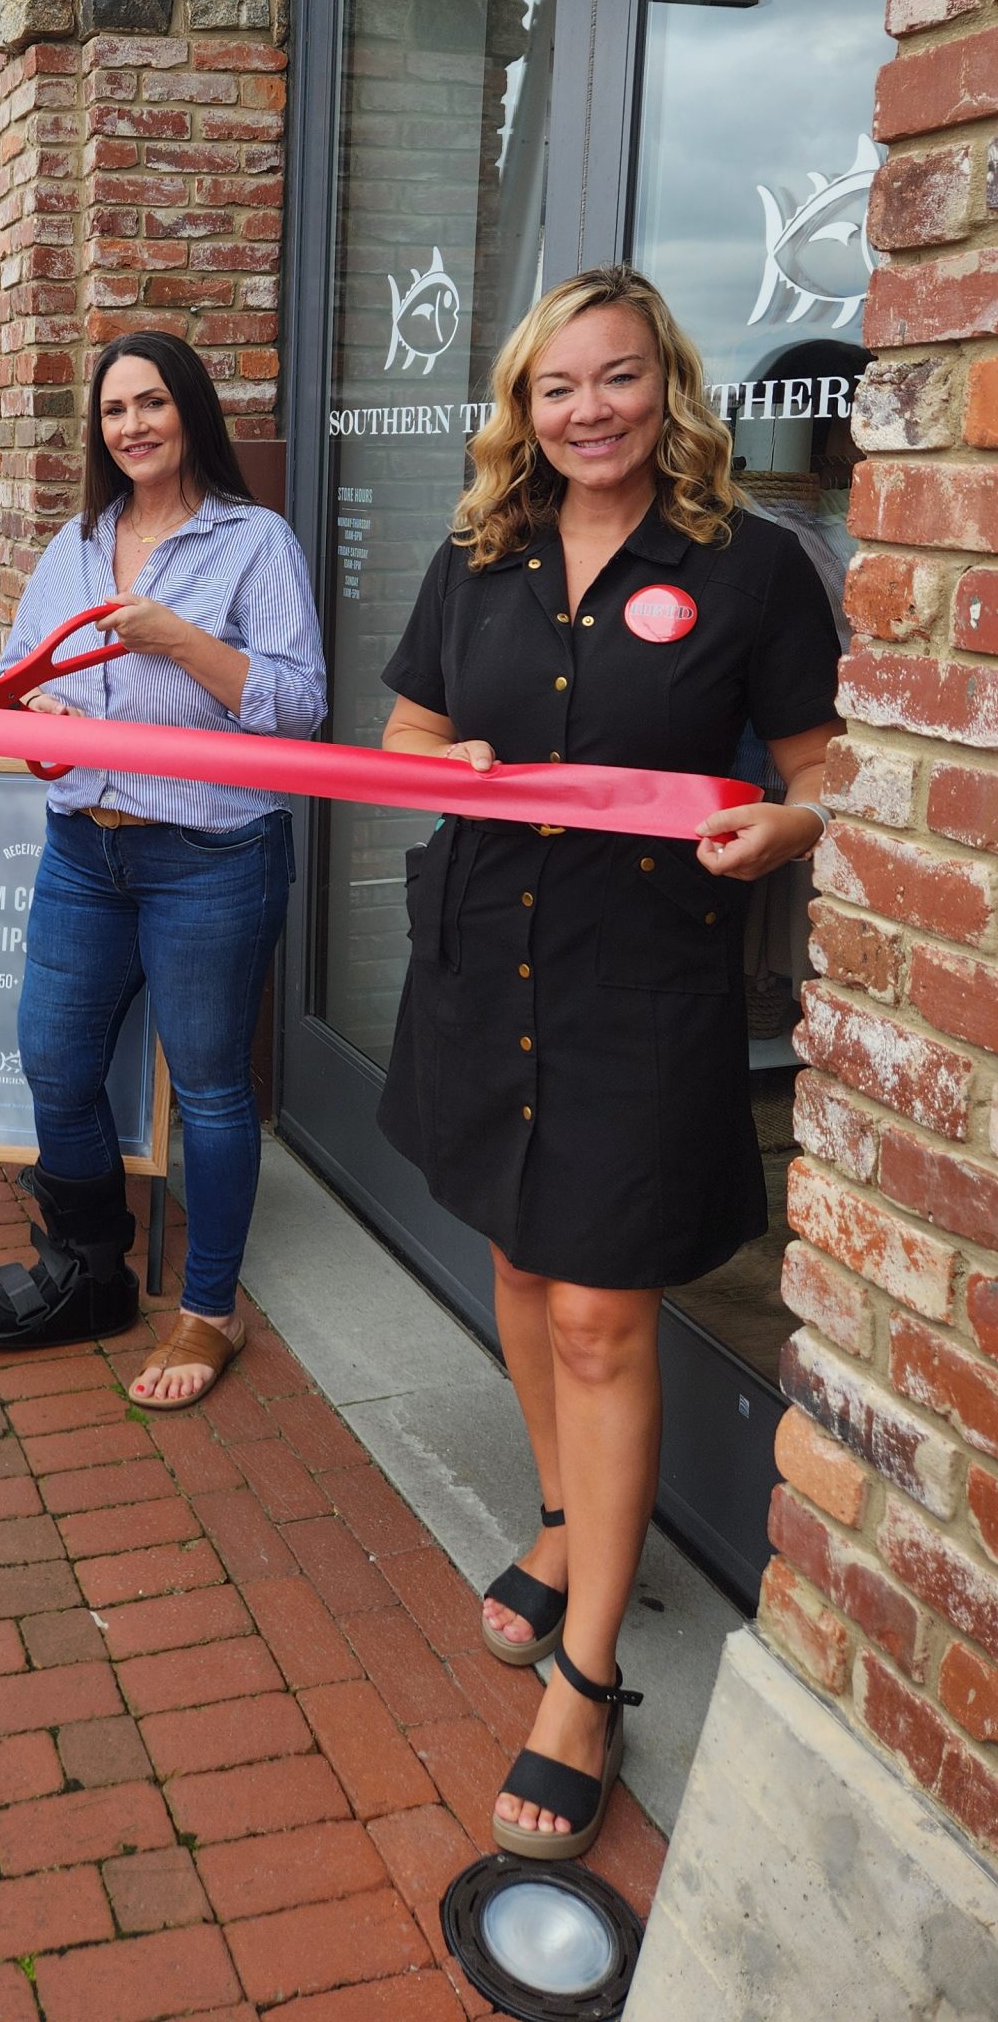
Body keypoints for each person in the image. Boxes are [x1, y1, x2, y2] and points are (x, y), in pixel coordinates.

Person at [378, 264, 841, 1861]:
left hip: (640, 983)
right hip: (484, 960)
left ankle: (587, 1682)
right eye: (559, 385)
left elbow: (822, 771)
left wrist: (785, 827)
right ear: (525, 405)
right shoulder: (479, 555)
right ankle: (569, 1522)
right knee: (520, 1262)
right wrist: (453, 762)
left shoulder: (749, 566)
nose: (590, 411)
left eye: (619, 377)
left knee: (598, 1310)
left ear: (669, 387)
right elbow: (405, 742)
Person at [0, 331, 326, 1407]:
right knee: (54, 1062)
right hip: (84, 845)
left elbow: (299, 708)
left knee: (209, 1089)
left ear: (190, 411)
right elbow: (22, 674)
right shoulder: (75, 543)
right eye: (115, 410)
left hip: (211, 853)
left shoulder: (254, 542)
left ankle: (210, 1313)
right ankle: (92, 1270)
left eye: (152, 402)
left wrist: (180, 642)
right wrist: (37, 704)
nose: (132, 426)